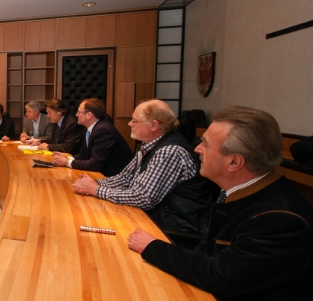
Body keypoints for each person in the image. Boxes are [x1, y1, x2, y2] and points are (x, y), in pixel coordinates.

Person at [127, 106, 313, 301]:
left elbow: (220, 276)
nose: (197, 149)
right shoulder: (241, 191)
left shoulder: (281, 219)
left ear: (234, 162)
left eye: (205, 144)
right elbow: (207, 253)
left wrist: (153, 247)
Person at [72, 100, 216, 243]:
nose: (130, 124)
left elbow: (143, 197)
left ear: (154, 125)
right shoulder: (150, 145)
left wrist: (96, 190)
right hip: (153, 217)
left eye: (135, 121)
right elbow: (125, 178)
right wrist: (94, 183)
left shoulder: (170, 151)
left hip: (169, 229)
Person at [52, 98, 132, 176]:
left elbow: (95, 164)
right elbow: (83, 154)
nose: (76, 115)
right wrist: (68, 157)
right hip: (100, 173)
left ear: (88, 115)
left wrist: (67, 162)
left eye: (79, 112)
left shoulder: (103, 131)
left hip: (114, 176)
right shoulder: (87, 129)